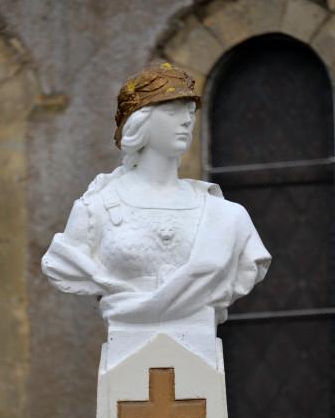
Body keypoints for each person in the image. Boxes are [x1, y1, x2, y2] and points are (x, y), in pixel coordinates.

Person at [42, 62, 271, 324]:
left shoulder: (227, 217)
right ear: (139, 121)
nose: (186, 120)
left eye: (190, 111)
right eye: (173, 111)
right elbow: (63, 265)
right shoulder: (95, 209)